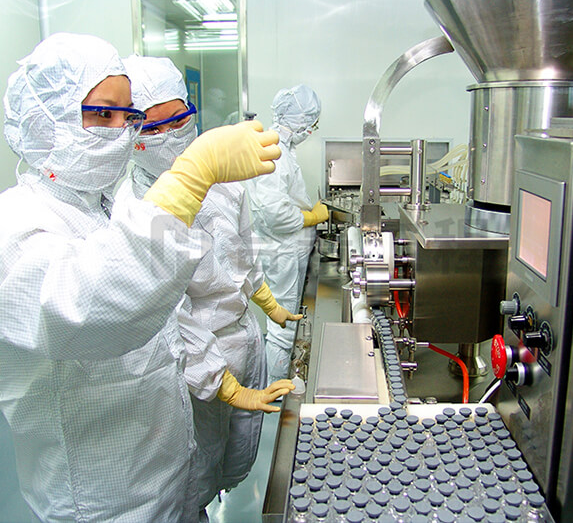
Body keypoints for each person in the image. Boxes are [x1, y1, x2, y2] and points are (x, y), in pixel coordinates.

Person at [0, 33, 285, 522]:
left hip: (165, 472)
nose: (120, 132)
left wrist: (223, 382)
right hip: (104, 501)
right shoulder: (15, 223)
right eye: (102, 114)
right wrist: (193, 174)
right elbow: (92, 306)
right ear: (44, 119)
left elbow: (167, 319)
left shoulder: (105, 209)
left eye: (127, 116)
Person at [117, 55, 298, 510]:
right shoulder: (134, 211)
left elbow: (243, 252)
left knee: (232, 457)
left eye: (178, 120)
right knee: (193, 470)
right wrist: (223, 384)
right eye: (151, 127)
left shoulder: (224, 181)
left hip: (242, 340)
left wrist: (268, 303)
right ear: (130, 131)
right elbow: (169, 316)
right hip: (192, 364)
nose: (167, 136)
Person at [242, 84, 328, 384]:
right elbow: (274, 213)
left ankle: (279, 384)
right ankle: (277, 394)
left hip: (287, 250)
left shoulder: (281, 149)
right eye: (312, 124)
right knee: (283, 328)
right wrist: (311, 217)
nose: (311, 131)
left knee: (284, 323)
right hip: (283, 252)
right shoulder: (276, 154)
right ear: (302, 122)